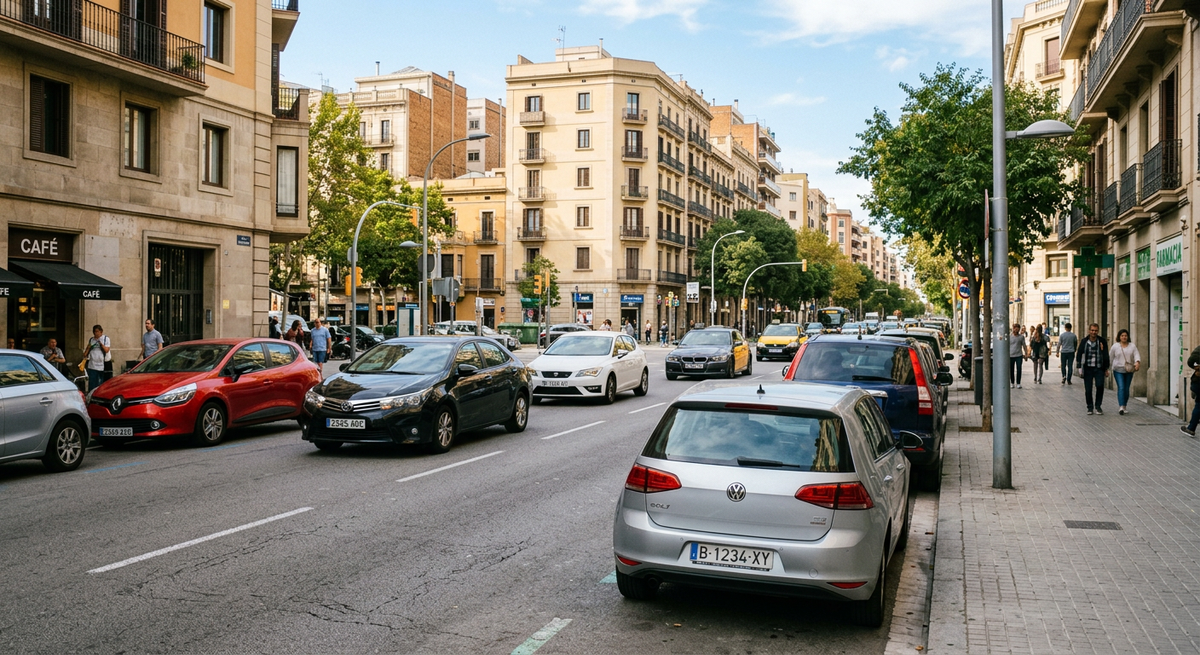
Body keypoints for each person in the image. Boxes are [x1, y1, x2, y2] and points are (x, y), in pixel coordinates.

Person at [1074, 323, 1109, 415]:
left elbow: (1105, 354)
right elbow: (1079, 353)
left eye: (1096, 330)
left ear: (1098, 331)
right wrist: (1079, 366)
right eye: (1092, 330)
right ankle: (1090, 407)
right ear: (1089, 331)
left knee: (1100, 386)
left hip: (1099, 368)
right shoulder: (1084, 341)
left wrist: (1106, 368)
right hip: (1088, 368)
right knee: (1088, 389)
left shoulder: (1101, 341)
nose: (1094, 332)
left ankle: (1098, 406)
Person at [1109, 329, 1141, 416]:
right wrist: (1107, 368)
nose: (1124, 337)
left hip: (1129, 370)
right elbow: (1111, 357)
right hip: (1118, 370)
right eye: (1122, 335)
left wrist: (1137, 362)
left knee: (1126, 388)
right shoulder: (1115, 346)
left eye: (1125, 336)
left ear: (1128, 337)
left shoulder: (1132, 346)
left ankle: (1124, 405)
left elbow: (1136, 355)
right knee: (1121, 387)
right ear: (1119, 337)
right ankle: (1121, 406)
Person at [84, 324, 112, 391]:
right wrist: (88, 348)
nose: (95, 333)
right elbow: (85, 354)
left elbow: (107, 350)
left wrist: (101, 345)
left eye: (97, 331)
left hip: (102, 365)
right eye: (94, 332)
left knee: (101, 384)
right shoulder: (91, 340)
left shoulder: (105, 339)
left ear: (101, 332)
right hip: (92, 365)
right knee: (92, 384)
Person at [1183, 343, 1200, 437]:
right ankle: (1191, 428)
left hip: (1198, 383)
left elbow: (1190, 361)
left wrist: (1196, 367)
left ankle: (1191, 428)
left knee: (1199, 405)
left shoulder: (1199, 350)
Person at [1008, 322, 1029, 389]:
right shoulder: (1009, 337)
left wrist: (1026, 354)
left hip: (1019, 355)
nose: (1016, 330)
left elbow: (1024, 345)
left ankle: (1018, 383)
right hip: (1011, 355)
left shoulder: (1021, 337)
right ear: (1013, 329)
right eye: (1015, 328)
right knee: (1011, 369)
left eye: (1018, 329)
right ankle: (1012, 382)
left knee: (1019, 369)